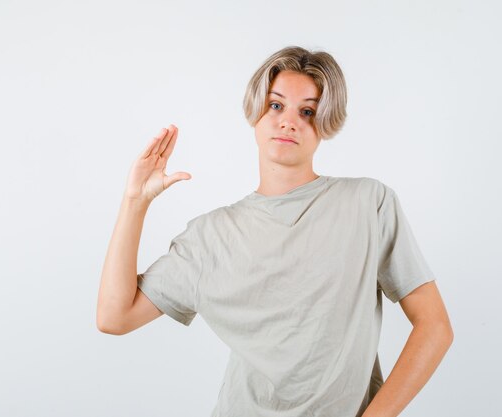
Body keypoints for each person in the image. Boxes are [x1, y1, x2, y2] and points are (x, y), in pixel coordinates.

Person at [96, 46, 454, 417]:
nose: (289, 122)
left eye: (308, 111)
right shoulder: (211, 237)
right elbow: (114, 316)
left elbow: (434, 327)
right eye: (276, 105)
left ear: (325, 124)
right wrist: (134, 203)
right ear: (255, 113)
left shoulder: (367, 203)